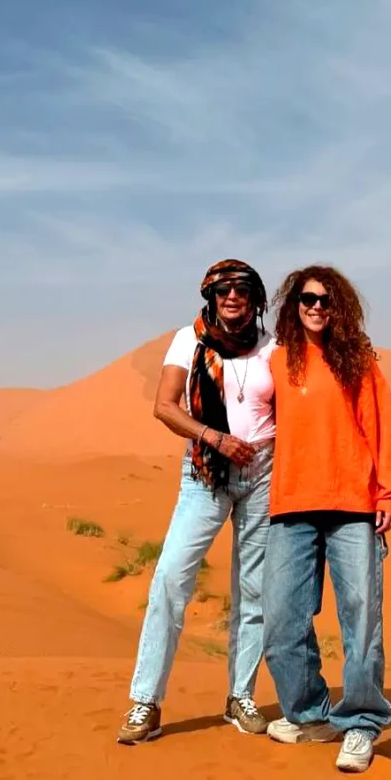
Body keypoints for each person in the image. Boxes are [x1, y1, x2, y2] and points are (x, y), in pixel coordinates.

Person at [117, 259, 276, 745]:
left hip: (266, 474)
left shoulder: (274, 346)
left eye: (242, 290)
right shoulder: (190, 340)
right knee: (170, 578)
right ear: (211, 295)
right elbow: (164, 405)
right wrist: (215, 438)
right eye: (224, 289)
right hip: (206, 472)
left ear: (255, 298)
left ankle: (240, 696)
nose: (233, 297)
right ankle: (146, 701)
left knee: (254, 591)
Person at [262, 265, 391, 773]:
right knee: (281, 621)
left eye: (326, 300)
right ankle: (310, 714)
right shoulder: (277, 362)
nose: (316, 307)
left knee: (362, 618)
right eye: (307, 299)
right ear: (293, 305)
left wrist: (390, 494)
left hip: (353, 506)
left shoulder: (359, 364)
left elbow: (385, 427)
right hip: (291, 507)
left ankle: (362, 723)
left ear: (338, 307)